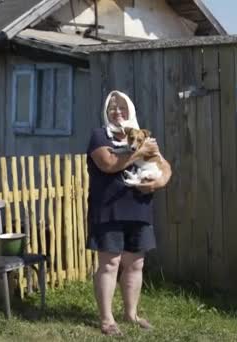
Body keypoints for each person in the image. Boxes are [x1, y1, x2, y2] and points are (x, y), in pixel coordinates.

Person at [86, 90, 172, 336]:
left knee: (136, 264)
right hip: (109, 209)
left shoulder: (144, 136)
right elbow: (109, 164)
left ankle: (131, 314)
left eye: (122, 107)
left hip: (139, 210)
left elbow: (164, 166)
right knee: (110, 264)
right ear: (106, 112)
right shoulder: (100, 137)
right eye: (113, 108)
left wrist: (159, 182)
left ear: (131, 110)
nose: (118, 112)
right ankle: (106, 319)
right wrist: (138, 153)